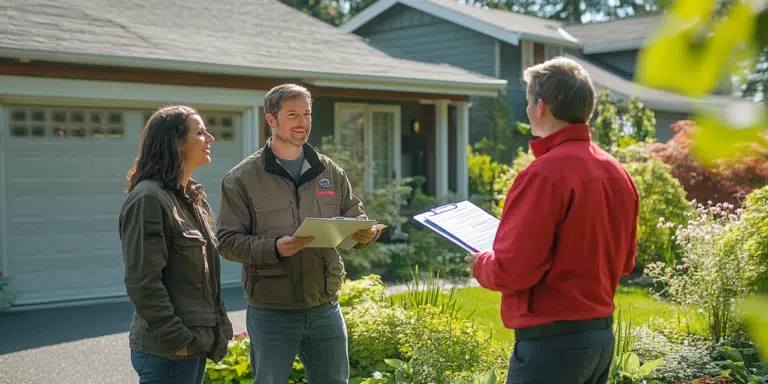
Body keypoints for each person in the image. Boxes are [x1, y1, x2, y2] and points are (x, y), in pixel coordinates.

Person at [466, 57, 639, 384]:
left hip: (552, 346)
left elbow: (514, 270)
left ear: (541, 106)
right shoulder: (617, 171)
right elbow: (626, 262)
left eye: (529, 101)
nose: (527, 109)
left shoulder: (543, 174)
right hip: (599, 340)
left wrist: (480, 264)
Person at [216, 83, 380, 384]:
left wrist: (363, 231)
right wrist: (277, 247)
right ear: (271, 120)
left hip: (325, 305)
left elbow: (353, 212)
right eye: (292, 114)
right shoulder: (242, 179)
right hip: (272, 310)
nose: (302, 122)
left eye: (307, 114)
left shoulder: (329, 170)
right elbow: (226, 242)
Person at [119, 105, 234, 384]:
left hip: (192, 346)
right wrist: (177, 340)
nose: (210, 138)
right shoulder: (149, 198)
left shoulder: (191, 198)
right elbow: (143, 281)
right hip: (168, 353)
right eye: (200, 132)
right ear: (176, 142)